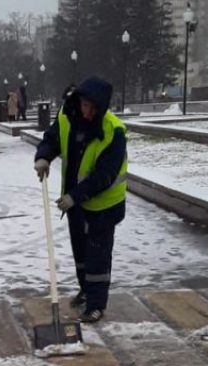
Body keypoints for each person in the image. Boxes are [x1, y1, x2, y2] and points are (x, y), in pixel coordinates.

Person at [33, 76, 128, 324]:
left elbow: (104, 175)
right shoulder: (67, 115)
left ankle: (96, 305)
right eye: (85, 106)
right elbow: (52, 138)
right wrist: (44, 156)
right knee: (81, 253)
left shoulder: (113, 132)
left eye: (93, 109)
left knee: (98, 255)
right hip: (75, 203)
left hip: (104, 205)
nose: (87, 113)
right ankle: (86, 290)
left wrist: (75, 196)